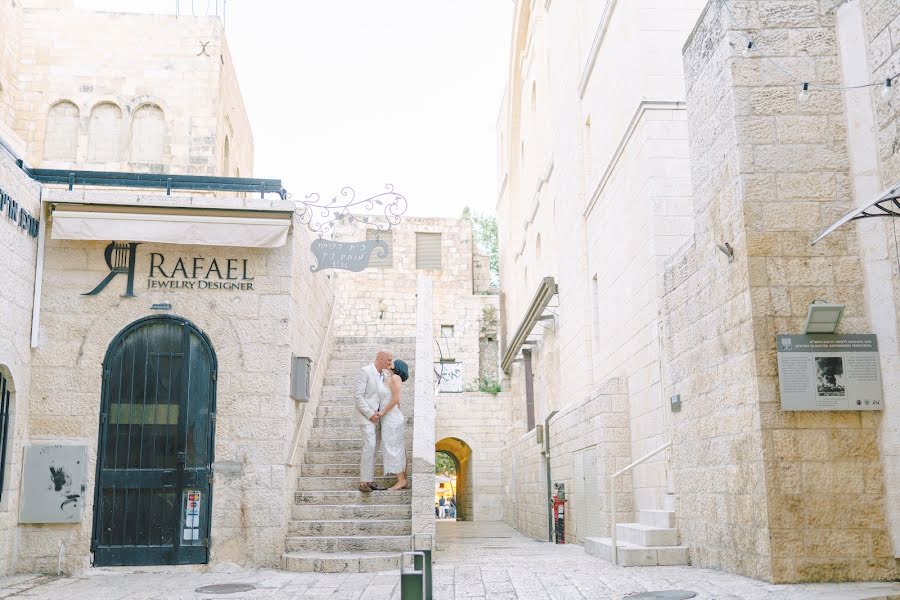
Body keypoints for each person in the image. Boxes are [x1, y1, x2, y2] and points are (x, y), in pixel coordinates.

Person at [355, 350, 392, 493]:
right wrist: (370, 414)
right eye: (388, 360)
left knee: (375, 449)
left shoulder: (385, 375)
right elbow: (358, 396)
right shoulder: (365, 371)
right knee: (369, 445)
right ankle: (363, 482)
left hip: (379, 417)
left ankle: (369, 480)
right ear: (380, 358)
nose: (390, 363)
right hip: (365, 416)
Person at [378, 358, 409, 490]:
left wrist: (383, 411)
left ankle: (401, 480)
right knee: (392, 446)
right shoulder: (388, 378)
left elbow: (397, 398)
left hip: (391, 417)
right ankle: (402, 478)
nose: (390, 362)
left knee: (393, 447)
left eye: (393, 362)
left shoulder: (396, 377)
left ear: (398, 367)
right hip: (388, 417)